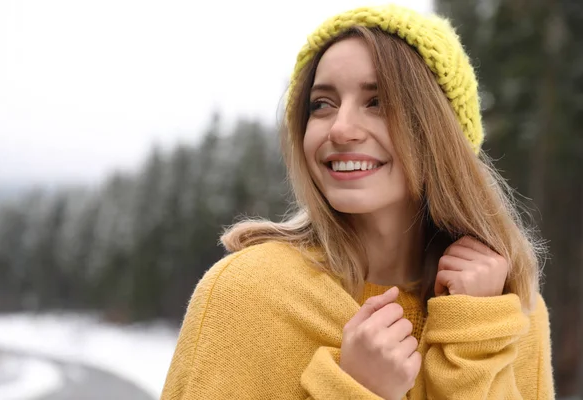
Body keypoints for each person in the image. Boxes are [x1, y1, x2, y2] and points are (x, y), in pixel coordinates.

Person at [160, 4, 554, 399]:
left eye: (377, 101)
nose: (341, 128)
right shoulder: (245, 294)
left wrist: (474, 341)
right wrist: (355, 391)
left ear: (439, 131)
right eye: (322, 104)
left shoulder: (511, 311)